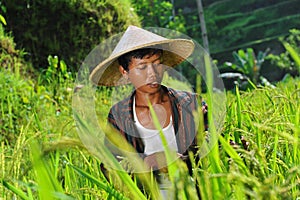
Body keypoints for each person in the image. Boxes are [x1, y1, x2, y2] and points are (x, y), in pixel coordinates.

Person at [89, 25, 208, 197]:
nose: (152, 73)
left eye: (157, 64)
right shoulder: (119, 115)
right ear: (125, 72)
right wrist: (148, 163)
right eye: (142, 67)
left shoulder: (191, 104)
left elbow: (213, 150)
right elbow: (109, 166)